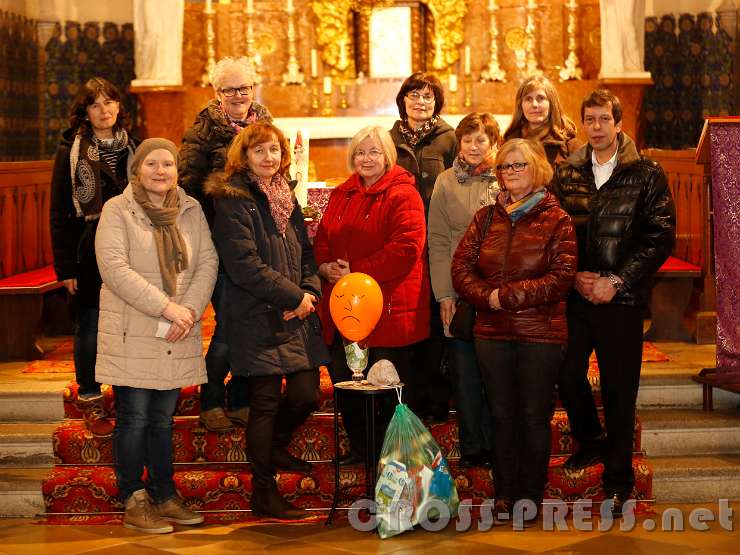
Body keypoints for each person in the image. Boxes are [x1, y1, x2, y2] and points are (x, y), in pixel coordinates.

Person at [551, 89, 676, 518]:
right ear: (583, 124)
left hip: (621, 299)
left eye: (605, 119)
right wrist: (574, 276)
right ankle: (591, 441)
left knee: (621, 391)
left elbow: (659, 236)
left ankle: (619, 479)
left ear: (619, 124)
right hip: (578, 295)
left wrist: (617, 280)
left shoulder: (646, 172)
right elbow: (554, 230)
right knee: (566, 372)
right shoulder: (567, 172)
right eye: (590, 119)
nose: (598, 127)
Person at [206, 121, 329, 520]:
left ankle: (274, 446)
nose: (268, 157)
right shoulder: (231, 198)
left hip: (295, 312)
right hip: (257, 313)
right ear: (244, 155)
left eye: (274, 150)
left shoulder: (284, 194)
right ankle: (263, 491)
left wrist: (309, 293)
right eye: (259, 150)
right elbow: (244, 265)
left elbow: (306, 252)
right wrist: (294, 297)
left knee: (305, 393)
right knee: (263, 402)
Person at [95, 139, 218, 533]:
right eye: (153, 163)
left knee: (163, 419)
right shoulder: (119, 209)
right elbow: (114, 268)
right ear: (138, 170)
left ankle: (164, 494)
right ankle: (134, 497)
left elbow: (207, 262)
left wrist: (190, 310)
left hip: (177, 328)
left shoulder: (190, 208)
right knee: (134, 417)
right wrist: (167, 308)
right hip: (135, 327)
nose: (161, 171)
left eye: (168, 164)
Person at [451, 138, 577, 525]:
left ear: (538, 169)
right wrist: (485, 297)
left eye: (518, 166)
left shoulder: (558, 219)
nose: (510, 173)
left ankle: (529, 495)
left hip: (540, 333)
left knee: (533, 416)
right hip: (492, 332)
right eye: (505, 167)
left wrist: (504, 297)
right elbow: (461, 267)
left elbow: (561, 278)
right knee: (501, 414)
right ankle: (505, 493)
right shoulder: (486, 217)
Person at [313, 125, 429, 463]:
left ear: (388, 155)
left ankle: (395, 458)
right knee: (349, 380)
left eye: (374, 151)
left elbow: (407, 248)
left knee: (388, 390)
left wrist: (358, 270)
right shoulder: (341, 193)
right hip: (346, 307)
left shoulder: (403, 193)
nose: (366, 158)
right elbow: (323, 236)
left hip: (389, 307)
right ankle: (362, 450)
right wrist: (324, 266)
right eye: (360, 152)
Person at [179, 56, 272, 432]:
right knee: (229, 323)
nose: (238, 95)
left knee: (250, 321)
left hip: (257, 238)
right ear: (216, 93)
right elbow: (187, 186)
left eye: (244, 87)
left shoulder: (264, 123)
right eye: (229, 89)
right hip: (217, 240)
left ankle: (241, 397)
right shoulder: (202, 131)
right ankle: (212, 398)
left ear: (254, 88)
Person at [50, 77, 138, 437]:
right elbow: (58, 212)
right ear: (85, 112)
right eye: (95, 104)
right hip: (87, 247)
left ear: (119, 107)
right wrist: (65, 266)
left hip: (131, 245)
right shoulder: (70, 150)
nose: (104, 110)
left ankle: (127, 393)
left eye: (109, 102)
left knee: (128, 323)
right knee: (90, 322)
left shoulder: (135, 147)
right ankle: (89, 396)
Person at [428, 112, 501, 468]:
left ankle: (500, 442)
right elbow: (438, 241)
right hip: (459, 289)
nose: (474, 146)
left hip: (498, 290)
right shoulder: (445, 181)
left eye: (481, 139)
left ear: (494, 142)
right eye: (468, 139)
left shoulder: (508, 177)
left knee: (497, 370)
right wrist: (444, 295)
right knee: (464, 368)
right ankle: (474, 445)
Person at [390, 72, 457, 423]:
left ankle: (437, 400)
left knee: (436, 322)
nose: (420, 102)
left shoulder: (448, 139)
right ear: (403, 100)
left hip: (437, 240)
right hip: (403, 243)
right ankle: (410, 399)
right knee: (410, 320)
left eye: (427, 97)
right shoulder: (389, 139)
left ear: (437, 103)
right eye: (413, 95)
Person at [503, 76, 581, 170]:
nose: (534, 105)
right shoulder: (509, 142)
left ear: (552, 103)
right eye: (528, 99)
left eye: (541, 98)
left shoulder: (571, 144)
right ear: (521, 106)